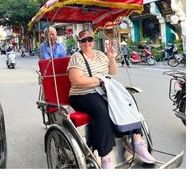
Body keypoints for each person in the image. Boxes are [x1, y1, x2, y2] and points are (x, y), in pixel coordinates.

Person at [67, 30, 156, 169]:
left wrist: (112, 58)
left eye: (89, 39)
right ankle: (106, 157)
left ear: (93, 40)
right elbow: (77, 81)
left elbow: (113, 72)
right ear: (79, 42)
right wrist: (100, 80)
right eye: (83, 40)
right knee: (102, 111)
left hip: (103, 91)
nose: (87, 43)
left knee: (127, 101)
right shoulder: (76, 57)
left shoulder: (100, 55)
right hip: (82, 94)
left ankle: (137, 143)